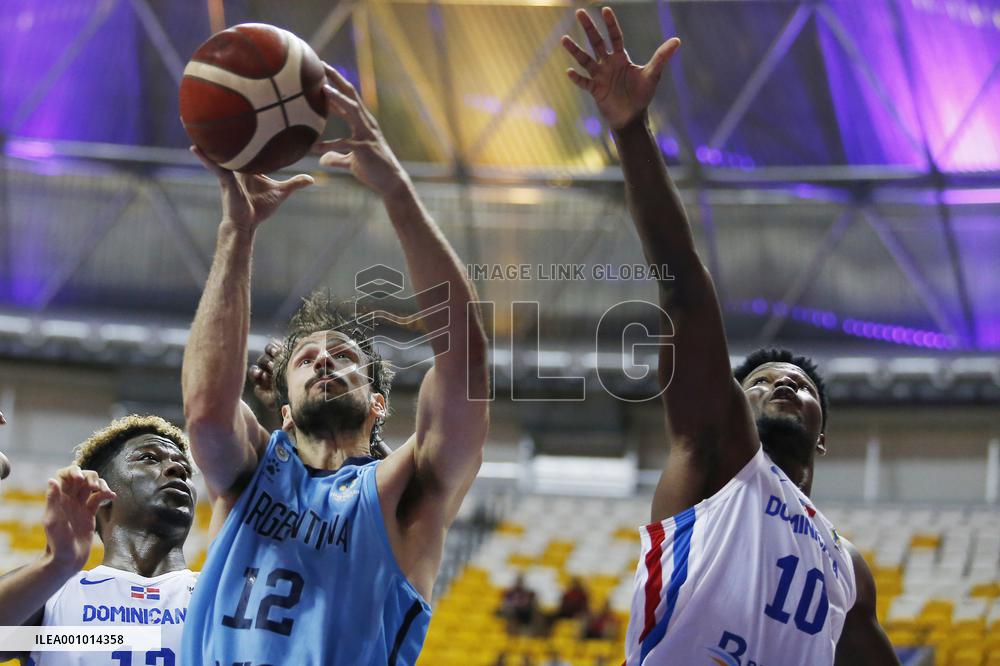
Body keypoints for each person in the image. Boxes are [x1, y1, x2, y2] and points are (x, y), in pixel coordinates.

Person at [562, 8, 897, 665]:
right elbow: (685, 288)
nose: (777, 385)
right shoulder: (716, 455)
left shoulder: (848, 571)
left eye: (796, 385)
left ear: (822, 432)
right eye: (760, 381)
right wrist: (632, 133)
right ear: (728, 400)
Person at [180, 63, 489, 665]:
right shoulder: (249, 472)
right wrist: (236, 233)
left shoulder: (409, 492)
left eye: (345, 355)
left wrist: (398, 192)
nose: (323, 357)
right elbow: (205, 412)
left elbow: (466, 365)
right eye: (306, 357)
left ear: (377, 402)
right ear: (285, 409)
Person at [0, 415, 197, 665]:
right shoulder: (52, 592)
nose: (177, 469)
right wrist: (55, 565)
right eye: (149, 458)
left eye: (186, 469)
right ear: (99, 494)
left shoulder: (218, 596)